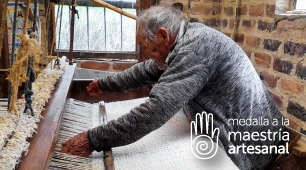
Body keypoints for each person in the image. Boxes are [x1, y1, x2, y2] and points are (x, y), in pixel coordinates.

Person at [61, 6, 285, 169]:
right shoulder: (183, 40)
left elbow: (157, 110)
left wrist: (94, 139)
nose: (146, 53)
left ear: (163, 35)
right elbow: (148, 69)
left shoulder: (195, 49)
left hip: (248, 142)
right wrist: (105, 84)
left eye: (146, 46)